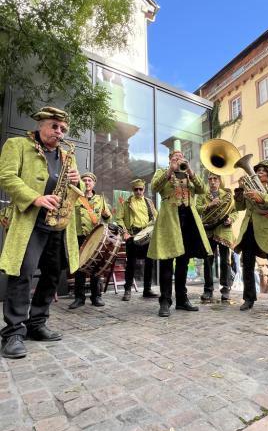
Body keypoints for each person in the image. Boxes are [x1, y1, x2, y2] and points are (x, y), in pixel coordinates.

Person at [0, 106, 81, 359]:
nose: (59, 132)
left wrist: (77, 181)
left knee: (52, 274)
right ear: (41, 125)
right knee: (23, 273)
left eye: (63, 129)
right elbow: (6, 176)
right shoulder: (17, 145)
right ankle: (13, 331)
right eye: (55, 126)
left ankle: (37, 323)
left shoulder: (67, 154)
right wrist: (35, 198)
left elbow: (74, 191)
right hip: (30, 220)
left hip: (57, 224)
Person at [147, 147, 212, 317]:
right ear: (169, 159)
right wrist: (171, 170)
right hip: (170, 220)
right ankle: (165, 301)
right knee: (167, 261)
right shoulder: (162, 172)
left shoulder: (189, 174)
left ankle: (182, 300)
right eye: (175, 157)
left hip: (188, 221)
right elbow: (154, 187)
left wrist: (190, 171)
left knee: (183, 262)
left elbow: (203, 189)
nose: (178, 158)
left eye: (181, 157)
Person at [234, 160, 268, 312]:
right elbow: (239, 207)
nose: (259, 173)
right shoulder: (248, 186)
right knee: (247, 265)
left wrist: (261, 196)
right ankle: (248, 298)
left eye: (263, 171)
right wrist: (239, 190)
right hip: (249, 229)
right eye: (257, 170)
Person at [69, 172, 112, 309]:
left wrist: (106, 218)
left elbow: (107, 217)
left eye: (89, 181)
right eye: (84, 180)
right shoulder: (75, 197)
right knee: (80, 268)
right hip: (80, 235)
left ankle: (96, 296)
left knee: (96, 267)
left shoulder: (100, 199)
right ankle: (79, 298)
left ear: (94, 184)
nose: (87, 183)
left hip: (95, 236)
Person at [196, 173, 238, 301]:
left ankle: (226, 289)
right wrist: (210, 205)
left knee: (225, 261)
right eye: (210, 179)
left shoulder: (227, 195)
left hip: (224, 231)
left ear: (220, 180)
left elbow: (235, 211)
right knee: (208, 261)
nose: (213, 181)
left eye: (215, 179)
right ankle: (208, 290)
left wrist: (231, 219)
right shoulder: (202, 195)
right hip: (208, 230)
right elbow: (197, 209)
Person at [116, 179, 158, 300]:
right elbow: (119, 218)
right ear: (133, 190)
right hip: (133, 235)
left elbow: (156, 216)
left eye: (141, 189)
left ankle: (147, 289)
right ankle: (127, 290)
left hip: (147, 236)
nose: (138, 191)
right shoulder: (126, 202)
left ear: (144, 189)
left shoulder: (149, 202)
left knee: (149, 263)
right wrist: (125, 232)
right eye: (136, 189)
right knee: (131, 264)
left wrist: (154, 226)